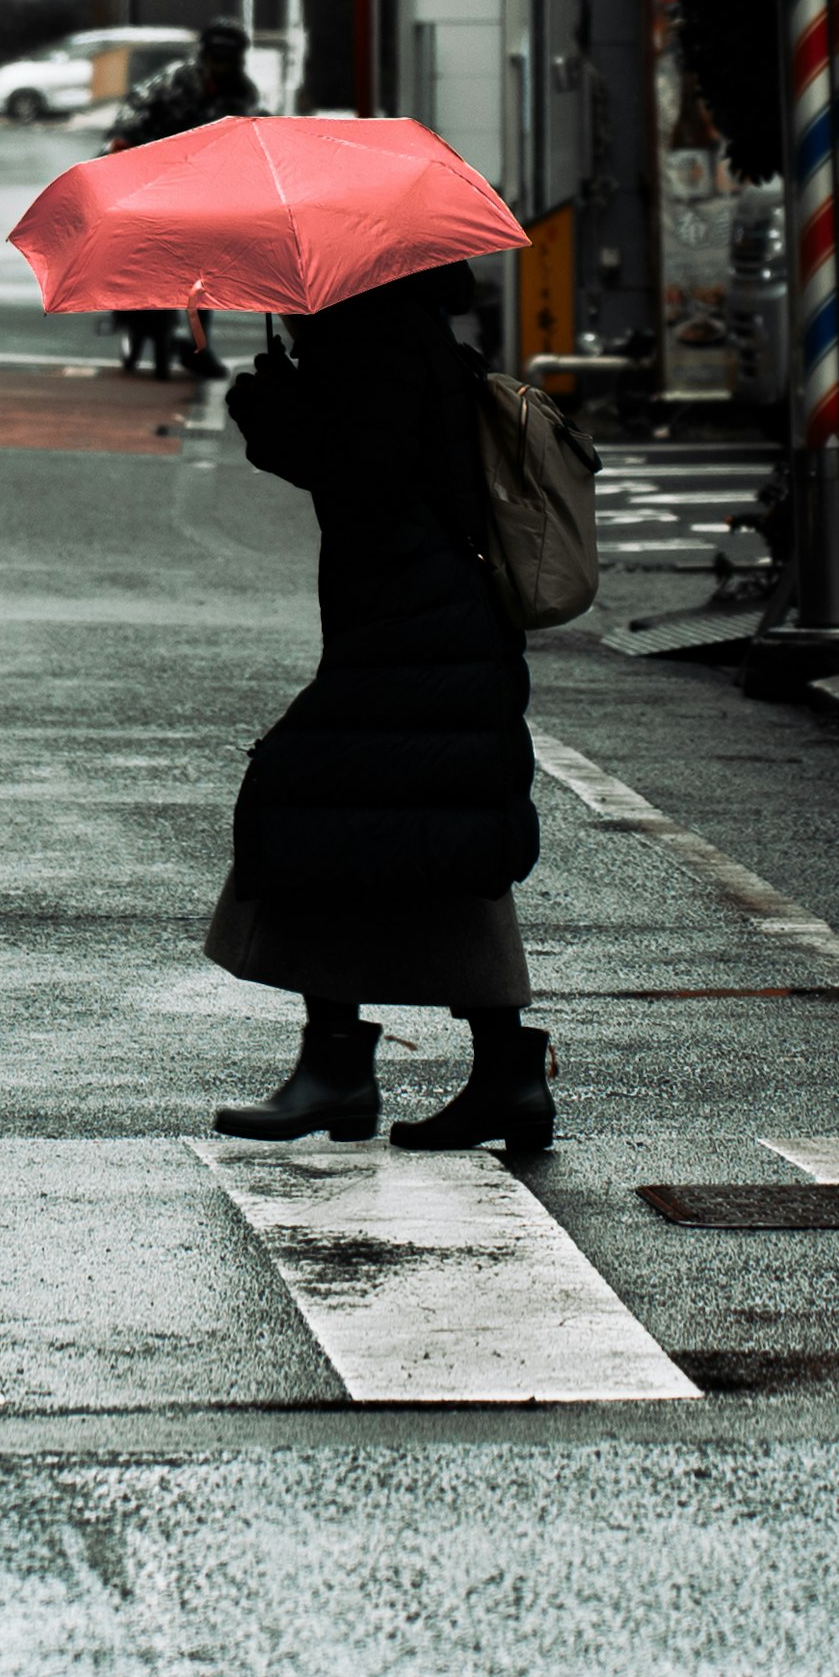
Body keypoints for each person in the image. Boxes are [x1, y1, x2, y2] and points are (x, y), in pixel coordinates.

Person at [203, 264, 554, 1157]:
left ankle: (341, 1067)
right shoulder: (402, 329)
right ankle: (497, 1073)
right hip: (417, 614)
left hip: (418, 617)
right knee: (420, 825)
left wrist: (272, 412)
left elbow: (366, 471)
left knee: (312, 801)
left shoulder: (380, 336)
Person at [109, 12, 262, 379]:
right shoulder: (177, 79)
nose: (220, 67)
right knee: (126, 227)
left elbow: (244, 135)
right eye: (215, 58)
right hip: (153, 162)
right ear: (204, 55)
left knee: (205, 267)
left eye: (228, 60)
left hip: (203, 180)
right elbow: (136, 105)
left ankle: (198, 346)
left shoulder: (243, 93)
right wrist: (124, 140)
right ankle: (126, 303)